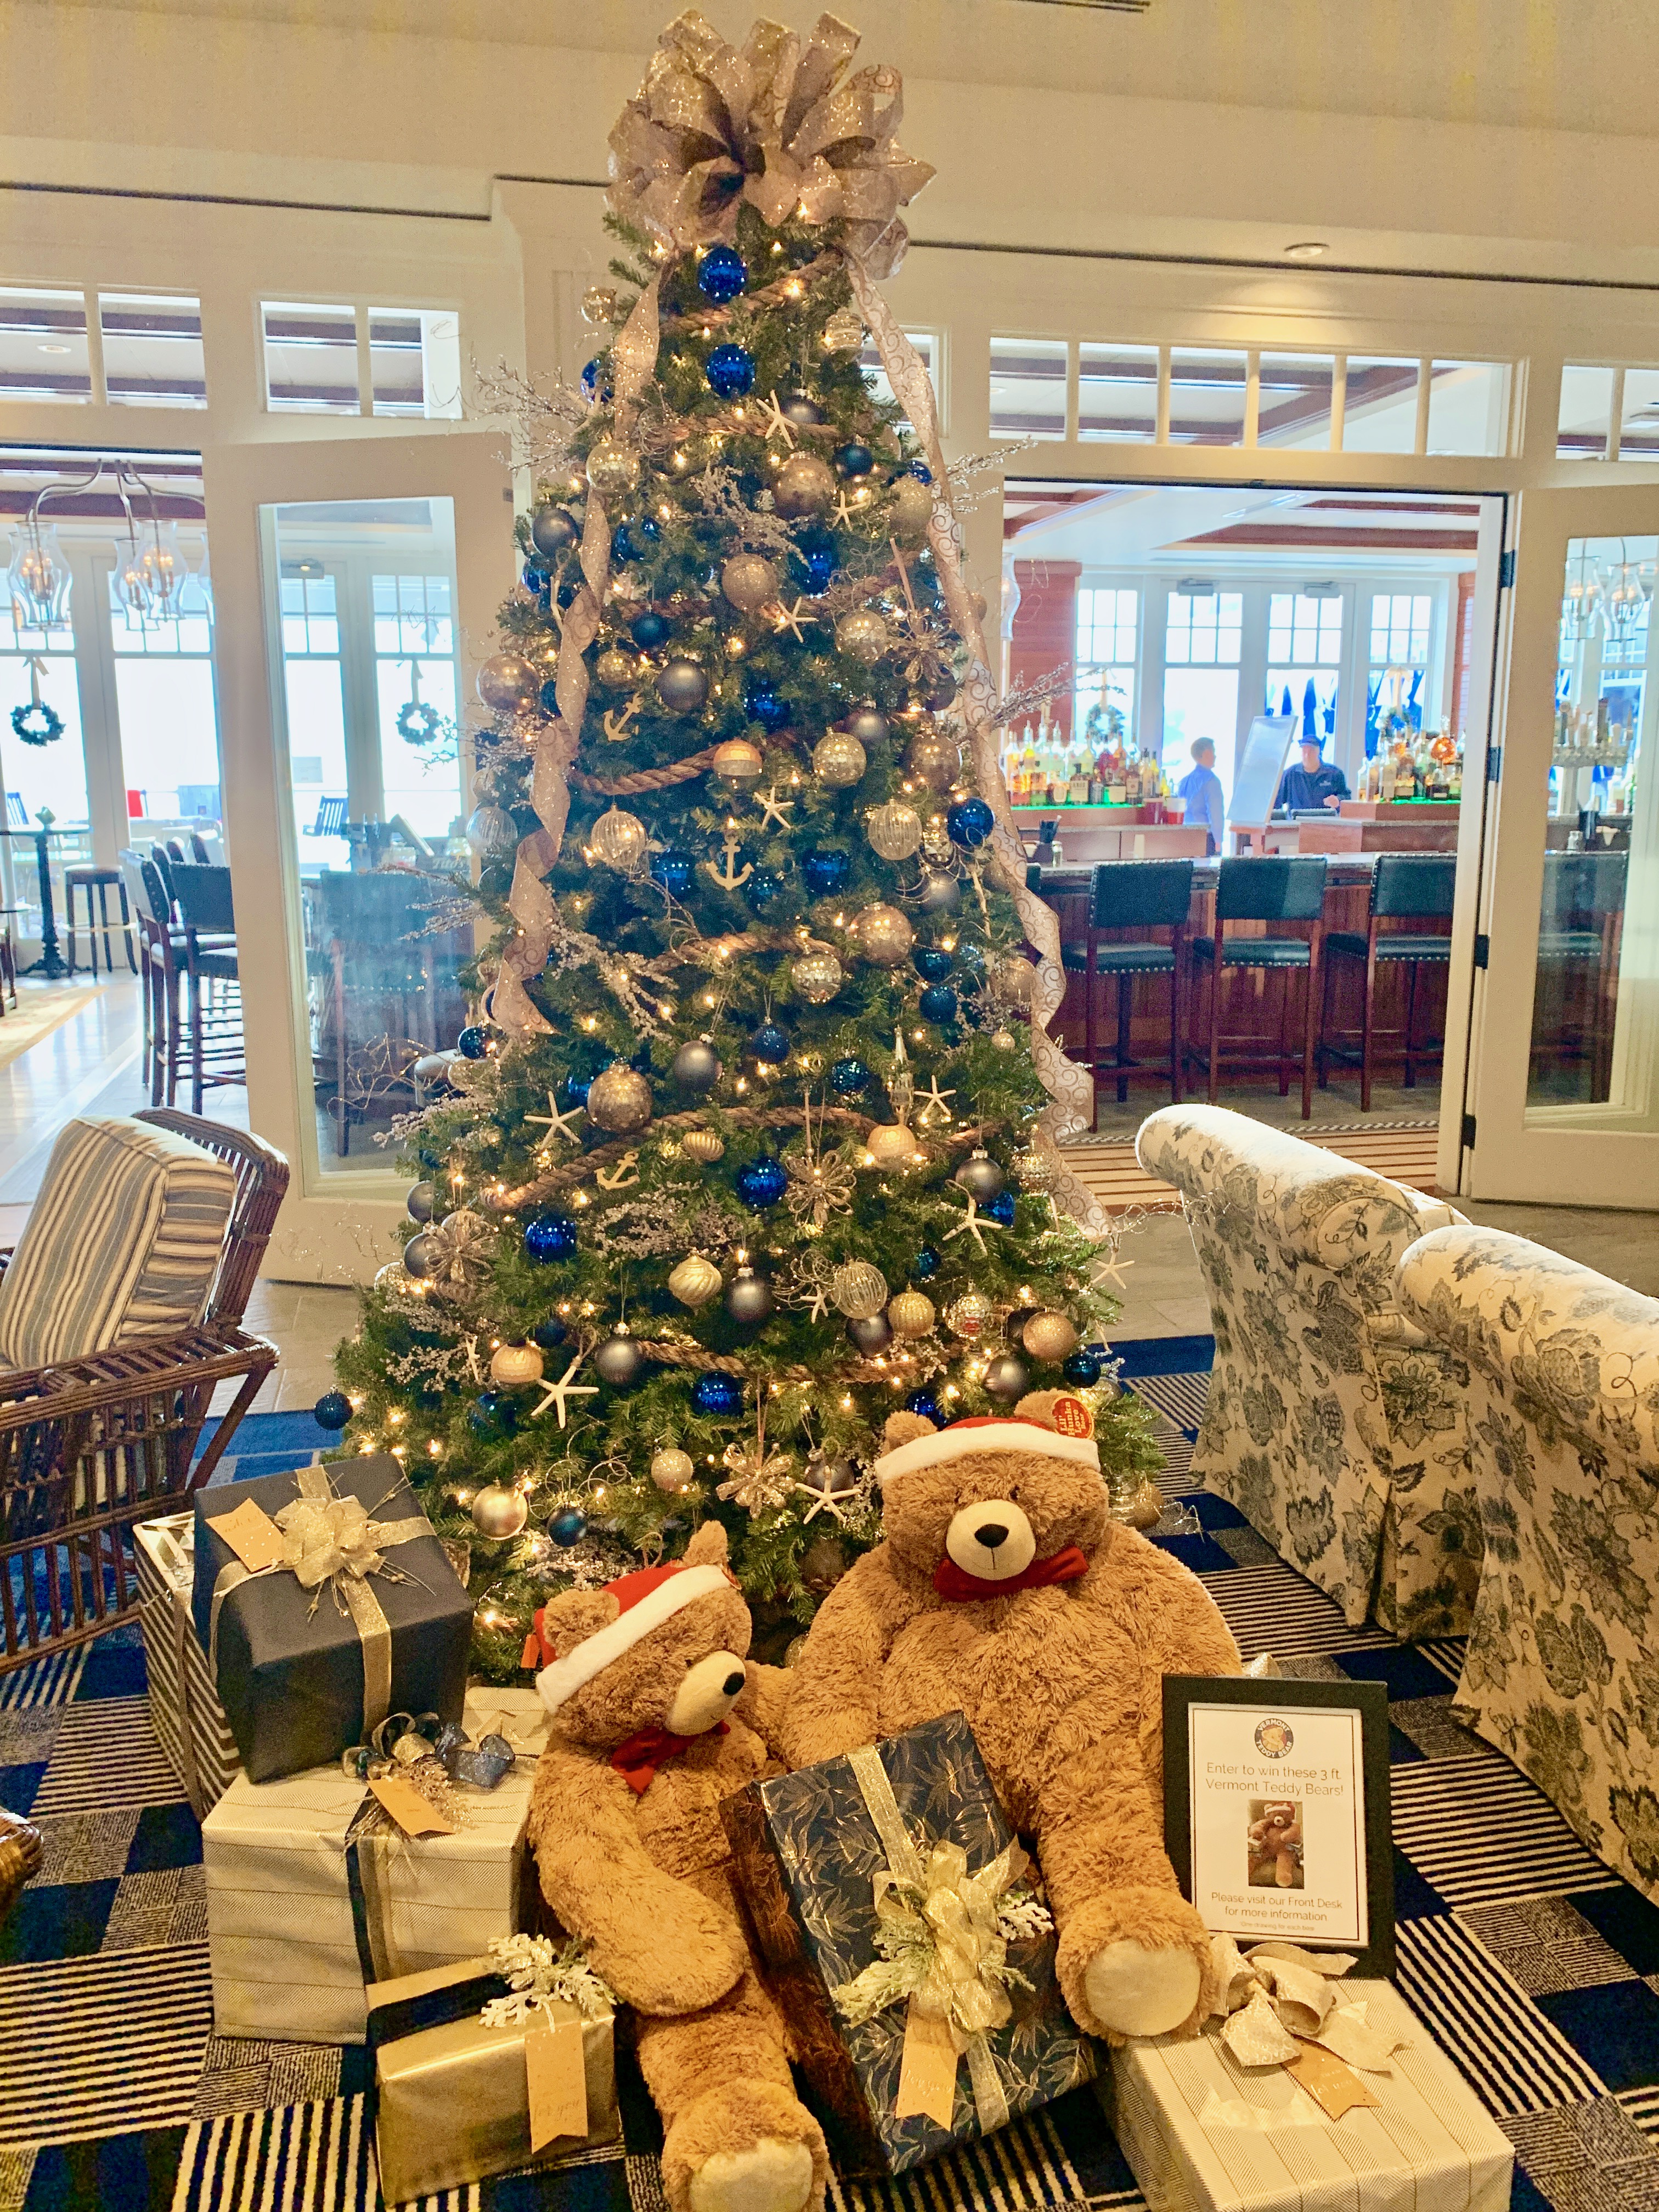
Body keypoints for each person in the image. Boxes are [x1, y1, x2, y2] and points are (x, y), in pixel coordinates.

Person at [1274, 734, 1350, 814]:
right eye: (1304, 751)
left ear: (1319, 752)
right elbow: (1276, 801)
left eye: (1311, 751)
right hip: (1297, 820)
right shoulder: (1290, 774)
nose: (1307, 755)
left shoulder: (1334, 773)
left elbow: (1347, 798)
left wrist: (1338, 800)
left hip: (1326, 820)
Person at [1177, 737, 1226, 856]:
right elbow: (1216, 814)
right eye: (1213, 752)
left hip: (1186, 837)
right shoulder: (1212, 781)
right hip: (1206, 839)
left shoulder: (1185, 781)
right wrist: (1218, 842)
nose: (1215, 756)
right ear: (1206, 753)